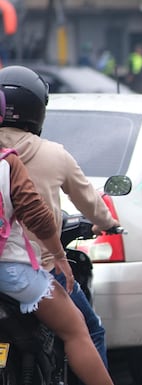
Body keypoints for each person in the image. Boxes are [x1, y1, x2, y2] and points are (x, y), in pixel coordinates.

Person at [0, 65, 120, 368]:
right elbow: (86, 201)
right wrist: (108, 223)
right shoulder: (53, 154)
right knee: (87, 330)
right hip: (33, 267)